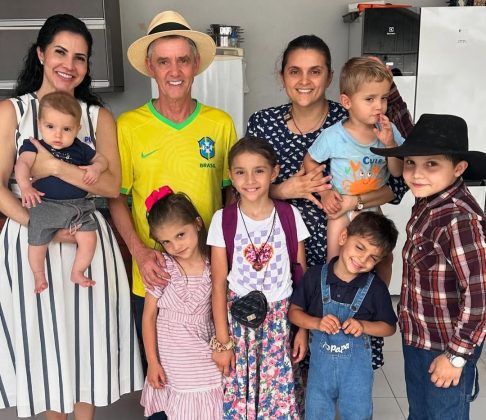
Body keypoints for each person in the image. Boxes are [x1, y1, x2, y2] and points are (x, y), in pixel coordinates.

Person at [0, 14, 143, 419]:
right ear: (41, 54)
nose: (69, 64)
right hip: (32, 239)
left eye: (80, 57)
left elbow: (111, 186)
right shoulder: (13, 112)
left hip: (86, 238)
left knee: (86, 347)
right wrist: (42, 225)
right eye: (60, 52)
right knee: (46, 350)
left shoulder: (97, 117)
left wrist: (56, 168)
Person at [247, 34, 413, 371]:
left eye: (315, 71)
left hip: (351, 245)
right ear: (282, 76)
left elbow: (397, 183)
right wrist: (282, 190)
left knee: (343, 353)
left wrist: (354, 201)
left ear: (330, 76)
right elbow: (244, 186)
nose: (305, 81)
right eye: (295, 71)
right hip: (284, 253)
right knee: (288, 356)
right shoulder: (263, 124)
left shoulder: (356, 114)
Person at [109, 9, 237, 372]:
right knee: (161, 374)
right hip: (155, 278)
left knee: (213, 375)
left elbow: (232, 197)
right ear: (151, 67)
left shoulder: (220, 124)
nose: (174, 71)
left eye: (182, 60)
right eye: (164, 62)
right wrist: (139, 253)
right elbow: (116, 198)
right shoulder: (128, 126)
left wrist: (227, 258)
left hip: (211, 279)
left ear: (195, 64)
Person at [371, 114, 486, 420]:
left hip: (445, 345)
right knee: (420, 412)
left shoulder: (459, 219)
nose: (416, 174)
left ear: (458, 169)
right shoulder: (427, 202)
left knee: (443, 413)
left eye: (431, 164)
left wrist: (456, 356)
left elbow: (479, 295)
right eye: (410, 163)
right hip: (419, 336)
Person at [207, 137, 310, 419]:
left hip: (281, 321)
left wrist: (303, 329)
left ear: (274, 172)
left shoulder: (289, 215)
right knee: (241, 392)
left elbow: (301, 277)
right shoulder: (223, 219)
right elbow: (218, 285)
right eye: (241, 172)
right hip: (239, 324)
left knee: (278, 397)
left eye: (259, 171)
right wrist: (223, 342)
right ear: (231, 176)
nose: (250, 180)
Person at [289, 211, 398, 419]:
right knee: (316, 414)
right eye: (360, 247)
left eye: (372, 258)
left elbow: (389, 327)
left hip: (356, 379)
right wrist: (316, 323)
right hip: (320, 377)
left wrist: (363, 326)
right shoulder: (314, 277)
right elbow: (294, 313)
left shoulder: (375, 288)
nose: (362, 259)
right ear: (343, 237)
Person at [303, 56, 404, 265]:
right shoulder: (333, 136)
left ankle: (377, 288)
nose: (379, 106)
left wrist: (390, 145)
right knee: (335, 261)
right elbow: (309, 161)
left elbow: (397, 172)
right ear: (347, 102)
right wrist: (324, 192)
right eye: (370, 99)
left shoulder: (389, 131)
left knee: (384, 259)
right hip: (341, 209)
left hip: (372, 206)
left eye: (384, 98)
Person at [140, 186, 223, 419]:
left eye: (180, 235)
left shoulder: (214, 265)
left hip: (206, 356)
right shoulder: (162, 267)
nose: (176, 246)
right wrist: (152, 362)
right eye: (166, 242)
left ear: (197, 223)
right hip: (174, 361)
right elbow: (149, 316)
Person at [15, 91, 107, 293]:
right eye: (50, 127)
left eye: (66, 129)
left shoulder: (80, 148)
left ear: (77, 129)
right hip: (45, 204)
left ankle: (78, 271)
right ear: (40, 125)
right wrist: (25, 187)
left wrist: (96, 168)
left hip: (79, 207)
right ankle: (38, 274)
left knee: (89, 238)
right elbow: (22, 165)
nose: (58, 135)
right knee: (37, 241)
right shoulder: (33, 146)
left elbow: (102, 159)